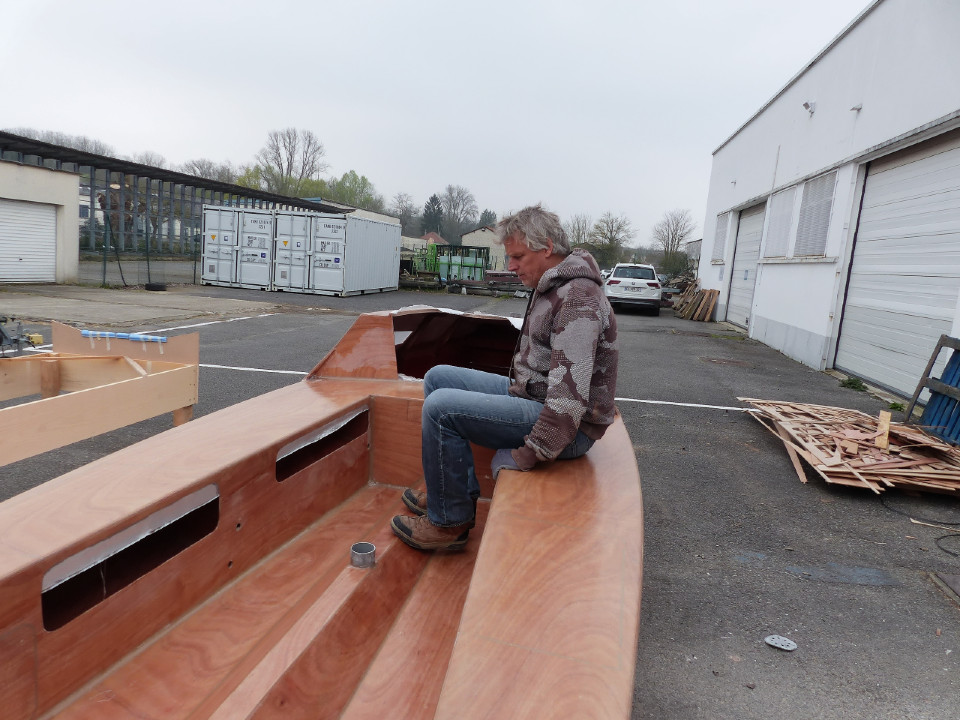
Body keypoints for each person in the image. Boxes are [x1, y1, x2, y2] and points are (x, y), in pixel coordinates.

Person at [391, 204, 619, 551]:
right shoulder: (552, 285)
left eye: (517, 257)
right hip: (532, 398)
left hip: (569, 430)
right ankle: (450, 495)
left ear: (546, 248)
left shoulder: (578, 298)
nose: (510, 266)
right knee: (438, 378)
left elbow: (570, 397)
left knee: (441, 409)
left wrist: (529, 453)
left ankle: (448, 524)